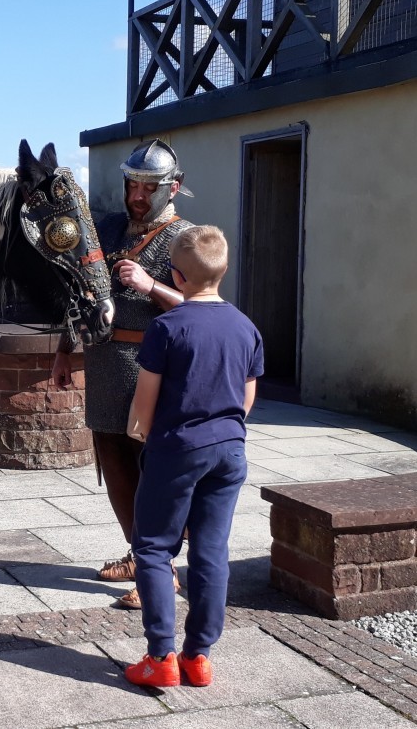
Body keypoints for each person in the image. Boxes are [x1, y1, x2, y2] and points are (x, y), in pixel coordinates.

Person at [52, 139, 192, 608]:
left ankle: (162, 570)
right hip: (104, 364)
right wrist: (63, 351)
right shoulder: (108, 229)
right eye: (132, 183)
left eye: (148, 187)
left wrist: (151, 285)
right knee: (114, 467)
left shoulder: (185, 239)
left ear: (173, 188)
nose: (137, 194)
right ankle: (140, 556)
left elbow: (200, 306)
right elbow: (78, 291)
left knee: (153, 474)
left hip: (153, 369)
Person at [122, 225, 264, 688]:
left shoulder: (167, 327)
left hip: (177, 448)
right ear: (223, 271)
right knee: (210, 551)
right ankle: (198, 657)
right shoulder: (246, 326)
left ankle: (160, 657)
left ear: (176, 276)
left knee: (154, 548)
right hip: (230, 450)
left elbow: (145, 401)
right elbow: (247, 398)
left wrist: (138, 433)